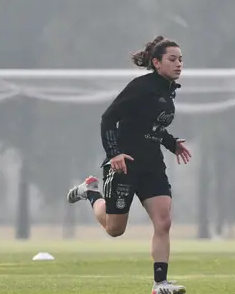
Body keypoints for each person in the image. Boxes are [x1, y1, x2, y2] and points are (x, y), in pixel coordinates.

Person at [66, 35, 192, 294]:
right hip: (126, 164)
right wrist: (114, 153)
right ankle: (91, 193)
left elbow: (151, 125)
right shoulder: (141, 87)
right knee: (115, 229)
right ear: (156, 63)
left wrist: (171, 143)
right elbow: (108, 119)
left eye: (181, 59)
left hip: (153, 165)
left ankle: (160, 284)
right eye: (172, 59)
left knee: (164, 222)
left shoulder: (168, 91)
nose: (179, 64)